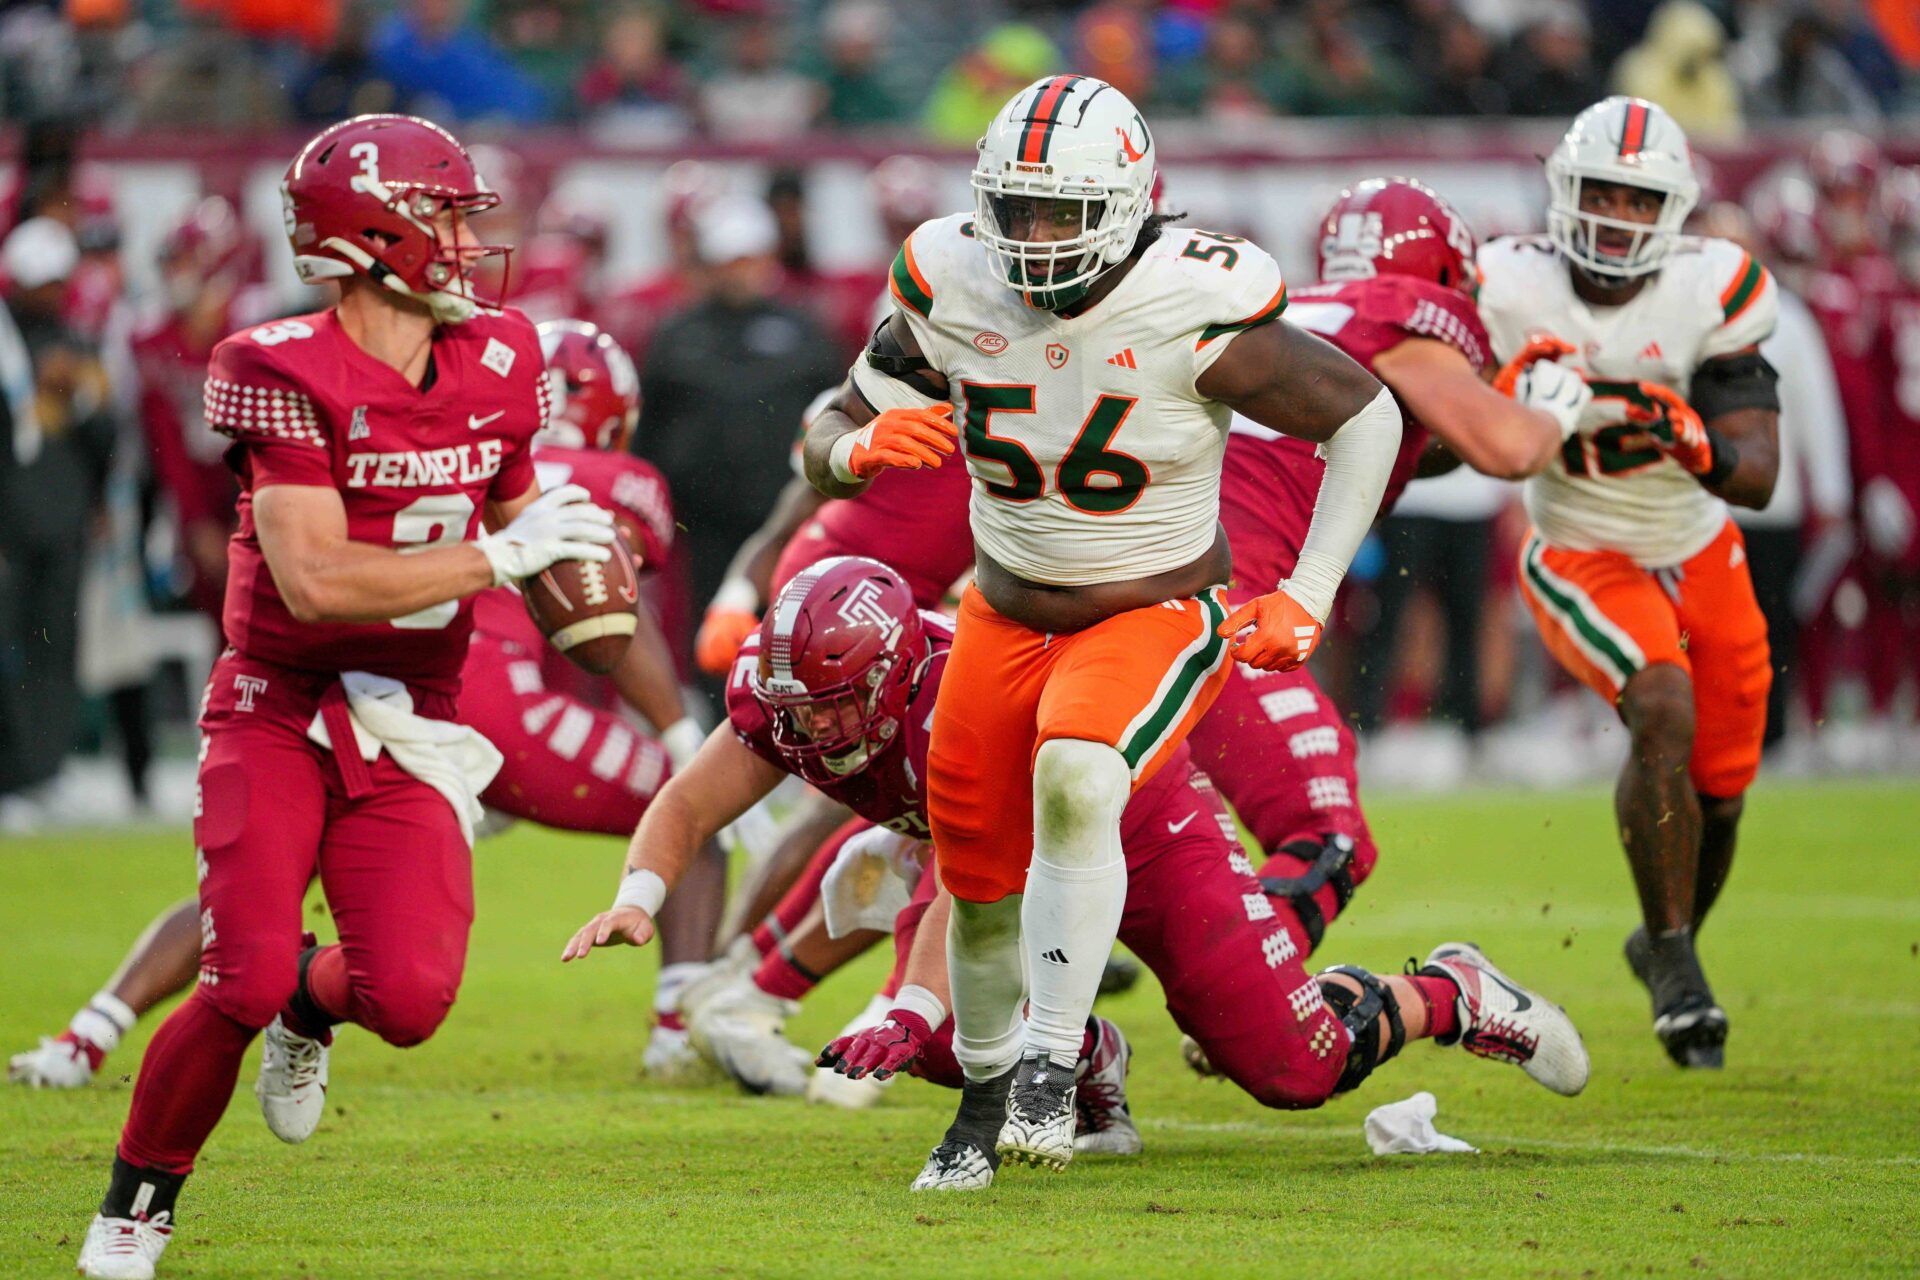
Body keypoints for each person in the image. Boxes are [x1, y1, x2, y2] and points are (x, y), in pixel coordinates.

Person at [800, 76, 1402, 1183]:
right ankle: (984, 1102)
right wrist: (853, 453)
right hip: (1001, 610)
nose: (1029, 238)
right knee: (974, 886)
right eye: (1012, 207)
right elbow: (833, 417)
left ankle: (1049, 1059)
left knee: (1078, 775)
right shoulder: (949, 276)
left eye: (1057, 210)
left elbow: (1367, 413)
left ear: (1128, 204)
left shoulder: (1191, 298)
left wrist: (1310, 591)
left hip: (1153, 607)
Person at [562, 559, 1590, 1188]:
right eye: (798, 703)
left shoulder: (958, 700)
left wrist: (911, 1001)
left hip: (1144, 835)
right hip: (990, 859)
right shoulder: (795, 702)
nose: (809, 727)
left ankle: (1454, 991)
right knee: (945, 1041)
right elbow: (690, 802)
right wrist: (634, 899)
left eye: (832, 703)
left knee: (1292, 1065)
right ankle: (1093, 1072)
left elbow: (962, 887)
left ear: (890, 674)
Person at [69, 114, 620, 1280]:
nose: (470, 239)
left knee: (409, 998)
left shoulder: (509, 354)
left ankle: (310, 1016)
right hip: (278, 700)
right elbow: (315, 581)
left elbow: (525, 515)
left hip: (413, 720)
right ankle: (136, 1207)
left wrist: (581, 563)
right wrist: (495, 561)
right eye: (447, 215)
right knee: (243, 975)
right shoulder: (274, 362)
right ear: (371, 236)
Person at [12, 318, 722, 1095]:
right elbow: (612, 619)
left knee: (253, 905)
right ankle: (681, 1029)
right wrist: (686, 734)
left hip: (370, 695)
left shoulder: (435, 442)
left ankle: (88, 1032)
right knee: (690, 816)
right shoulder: (606, 478)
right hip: (462, 704)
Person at [1477, 97, 1781, 1071]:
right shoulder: (1507, 285)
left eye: (1636, 197)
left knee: (1724, 786)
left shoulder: (1713, 290)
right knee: (1662, 700)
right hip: (1579, 544)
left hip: (1696, 541)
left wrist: (1698, 438)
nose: (1612, 215)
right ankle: (1683, 969)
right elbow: (1440, 454)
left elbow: (1760, 471)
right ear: (1562, 191)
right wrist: (1498, 402)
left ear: (1676, 210)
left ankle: (1659, 940)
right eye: (1597, 191)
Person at [0, 215, 119, 811]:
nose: (48, 292)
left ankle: (44, 769)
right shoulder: (7, 343)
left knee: (53, 647)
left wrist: (79, 395)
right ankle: (11, 775)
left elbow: (106, 435)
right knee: (9, 646)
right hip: (8, 525)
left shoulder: (77, 343)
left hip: (62, 523)